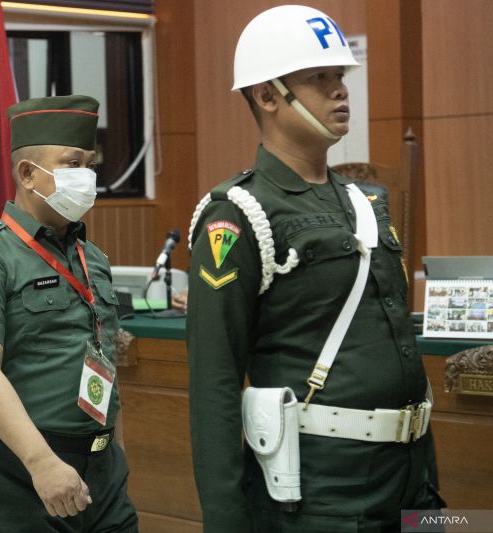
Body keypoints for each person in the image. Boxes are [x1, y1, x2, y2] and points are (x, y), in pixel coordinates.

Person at [186, 6, 443, 532]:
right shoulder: (238, 214)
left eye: (340, 76)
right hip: (323, 492)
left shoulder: (367, 202)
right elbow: (214, 381)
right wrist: (225, 521)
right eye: (319, 77)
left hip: (415, 474)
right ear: (266, 94)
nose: (340, 90)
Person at [0, 95, 138, 532]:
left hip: (100, 466)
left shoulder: (93, 259)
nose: (86, 177)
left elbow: (103, 360)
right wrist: (41, 463)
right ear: (28, 174)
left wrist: (117, 454)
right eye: (72, 164)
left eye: (90, 164)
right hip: (20, 466)